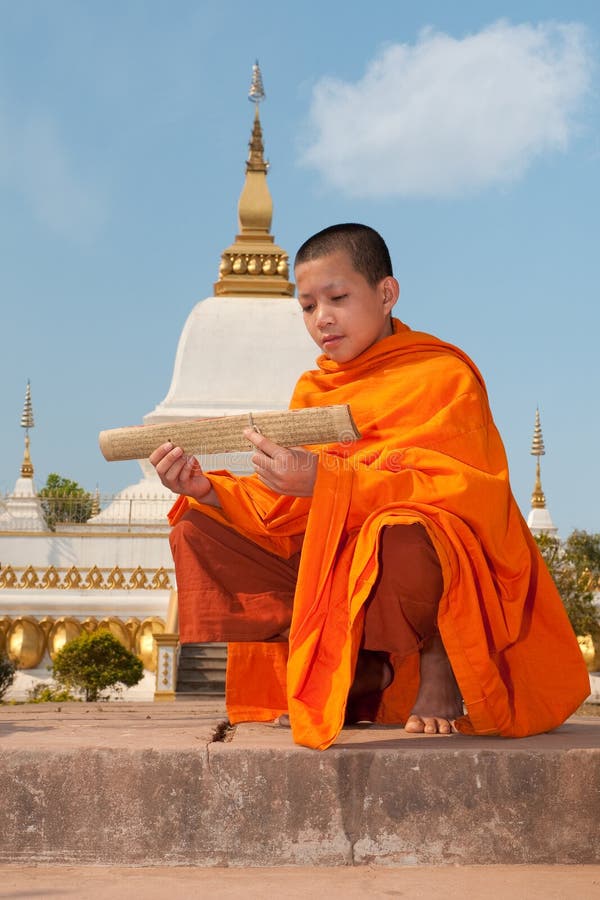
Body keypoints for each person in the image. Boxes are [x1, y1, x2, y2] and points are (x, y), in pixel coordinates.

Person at [150, 223, 589, 751]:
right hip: (339, 558)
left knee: (405, 527)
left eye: (337, 298)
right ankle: (358, 666)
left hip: (428, 560)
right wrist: (208, 490)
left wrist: (329, 480)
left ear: (386, 294)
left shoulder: (441, 376)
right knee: (200, 529)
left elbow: (465, 494)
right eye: (308, 306)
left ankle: (438, 660)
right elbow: (288, 507)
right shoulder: (314, 391)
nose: (322, 319)